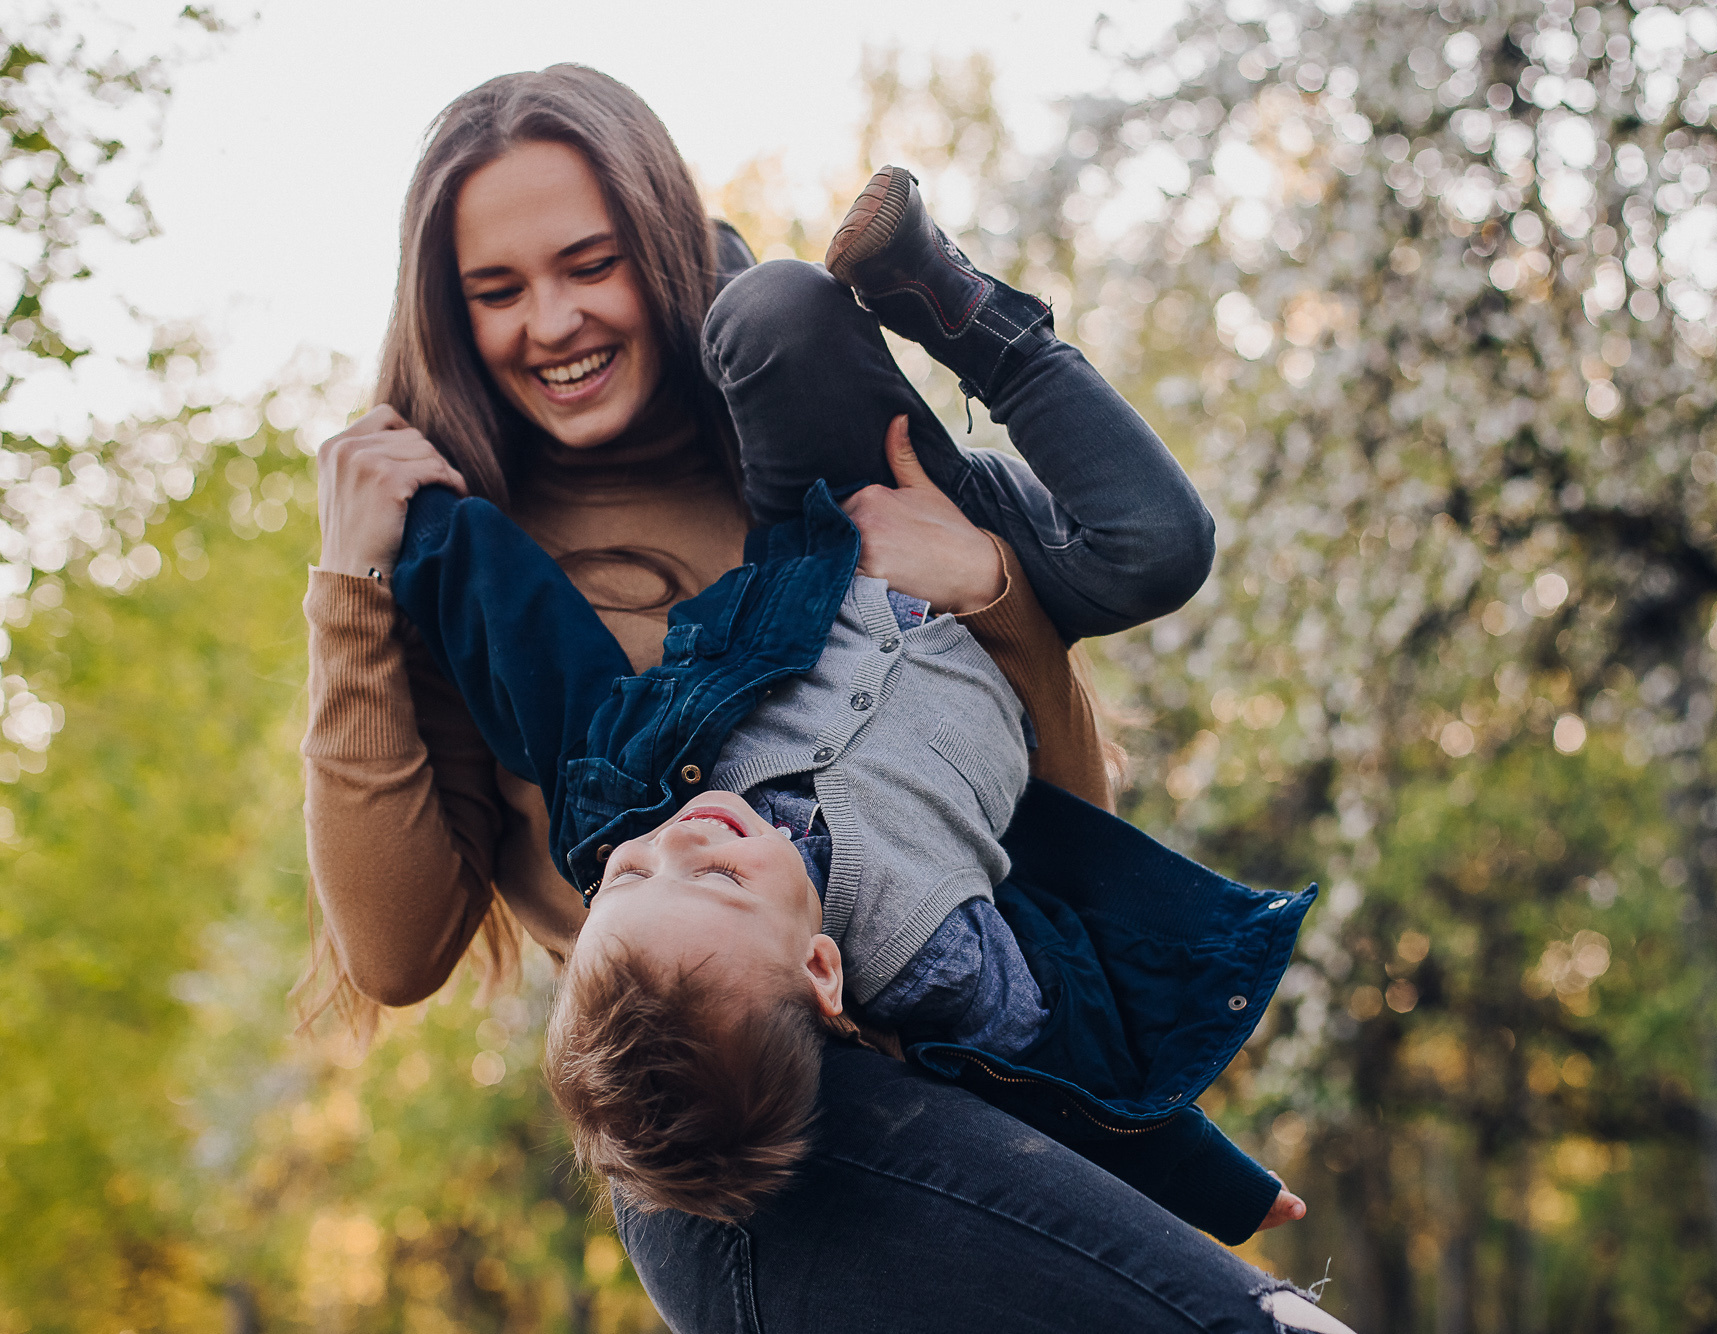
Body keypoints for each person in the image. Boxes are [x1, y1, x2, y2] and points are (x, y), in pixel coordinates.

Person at [303, 63, 1349, 1332]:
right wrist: (354, 588)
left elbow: (1038, 831)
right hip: (732, 1124)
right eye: (497, 290)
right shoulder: (468, 558)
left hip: (968, 1076)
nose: (554, 321)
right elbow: (394, 950)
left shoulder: (806, 445)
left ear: (661, 242)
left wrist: (992, 594)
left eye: (592, 263)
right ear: (447, 314)